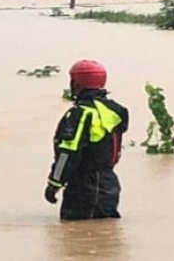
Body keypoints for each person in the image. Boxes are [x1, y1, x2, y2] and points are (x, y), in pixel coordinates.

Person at [43, 59, 128, 220]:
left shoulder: (79, 114)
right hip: (108, 183)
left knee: (74, 238)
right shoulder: (115, 111)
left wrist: (54, 183)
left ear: (76, 84)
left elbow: (67, 153)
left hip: (84, 187)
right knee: (104, 236)